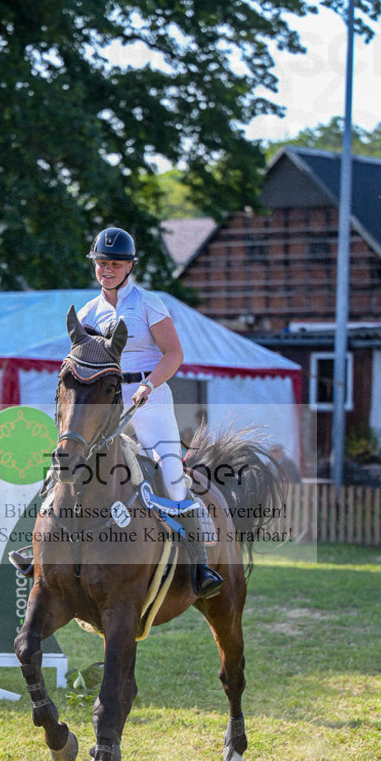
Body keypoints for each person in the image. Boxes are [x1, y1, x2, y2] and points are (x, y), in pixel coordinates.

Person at [77, 226, 223, 599]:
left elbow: (174, 354)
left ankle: (201, 564)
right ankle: (50, 551)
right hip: (107, 401)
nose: (106, 269)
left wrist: (148, 385)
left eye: (114, 263)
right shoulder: (88, 312)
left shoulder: (148, 303)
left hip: (149, 396)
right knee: (72, 463)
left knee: (172, 476)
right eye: (101, 263)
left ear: (128, 267)